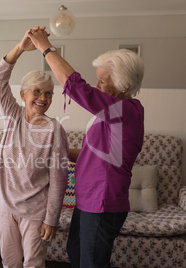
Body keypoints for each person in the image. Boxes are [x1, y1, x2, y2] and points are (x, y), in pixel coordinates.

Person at [28, 27, 145, 267]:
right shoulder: (111, 117)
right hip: (87, 201)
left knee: (90, 263)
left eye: (102, 81)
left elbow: (77, 88)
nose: (97, 85)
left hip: (102, 204)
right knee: (76, 254)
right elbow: (92, 155)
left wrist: (45, 48)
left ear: (123, 87)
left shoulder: (126, 112)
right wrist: (57, 151)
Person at [0, 29, 69, 268]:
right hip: (4, 204)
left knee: (33, 263)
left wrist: (51, 220)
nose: (43, 97)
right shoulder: (13, 116)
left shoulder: (55, 130)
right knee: (9, 262)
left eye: (49, 94)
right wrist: (20, 47)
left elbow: (58, 179)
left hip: (35, 210)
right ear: (23, 94)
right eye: (37, 91)